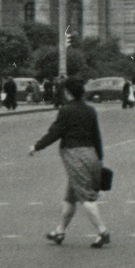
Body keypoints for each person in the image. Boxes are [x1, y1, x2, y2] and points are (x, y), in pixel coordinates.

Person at [29, 77, 111, 249]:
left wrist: (37, 146)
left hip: (74, 155)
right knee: (70, 197)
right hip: (91, 154)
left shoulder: (66, 110)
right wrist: (99, 159)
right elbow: (96, 136)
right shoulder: (90, 110)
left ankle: (102, 231)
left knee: (86, 197)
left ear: (68, 92)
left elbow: (55, 132)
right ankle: (60, 231)